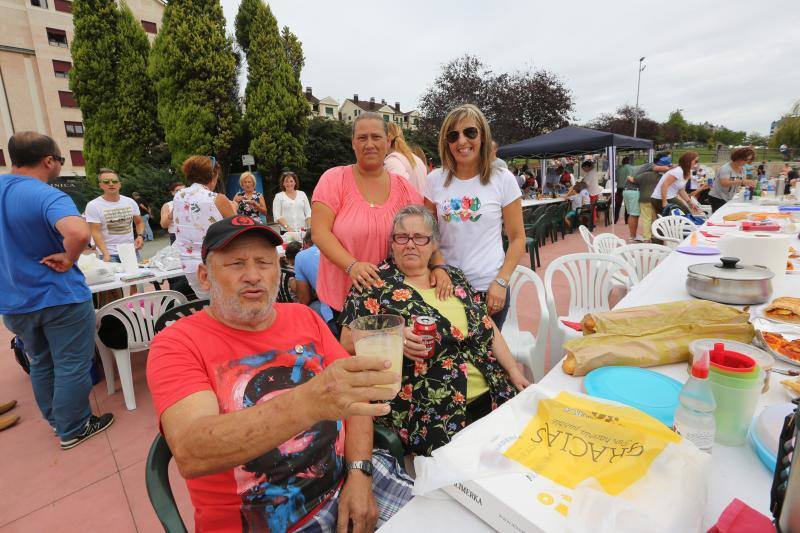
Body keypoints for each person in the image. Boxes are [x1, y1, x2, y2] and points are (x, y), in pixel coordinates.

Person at [146, 216, 412, 532]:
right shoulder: (177, 344)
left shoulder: (304, 317)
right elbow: (191, 451)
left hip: (348, 482)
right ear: (204, 277)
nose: (253, 276)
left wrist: (359, 473)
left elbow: (354, 401)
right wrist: (310, 402)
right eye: (236, 264)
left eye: (264, 262)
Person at [340, 206, 529, 456]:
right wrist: (393, 337)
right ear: (392, 244)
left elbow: (487, 324)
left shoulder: (454, 279)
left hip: (494, 392)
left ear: (433, 246)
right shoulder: (373, 284)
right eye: (402, 237)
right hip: (432, 411)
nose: (410, 244)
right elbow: (345, 341)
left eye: (420, 238)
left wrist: (514, 371)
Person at [0, 131, 113, 449]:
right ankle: (75, 427)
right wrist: (69, 256)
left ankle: (57, 421)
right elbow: (77, 232)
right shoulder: (45, 194)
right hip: (58, 296)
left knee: (40, 361)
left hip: (14, 301)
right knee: (71, 363)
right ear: (49, 161)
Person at [312, 111, 448, 323]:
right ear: (353, 143)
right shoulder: (334, 180)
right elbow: (320, 233)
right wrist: (352, 266)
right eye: (362, 138)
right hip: (343, 299)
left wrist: (439, 267)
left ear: (388, 142)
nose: (369, 144)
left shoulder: (405, 190)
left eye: (376, 137)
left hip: (392, 301)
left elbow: (426, 235)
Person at [424, 104, 525, 331]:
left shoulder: (502, 179)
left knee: (487, 360)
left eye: (470, 132)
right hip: (445, 287)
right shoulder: (434, 180)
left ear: (482, 135)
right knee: (452, 361)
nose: (462, 141)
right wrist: (439, 267)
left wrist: (501, 282)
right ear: (446, 142)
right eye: (453, 135)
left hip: (489, 289)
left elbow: (518, 238)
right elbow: (428, 235)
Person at [173, 155, 236, 299]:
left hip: (189, 266)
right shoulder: (217, 198)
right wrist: (233, 208)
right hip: (216, 264)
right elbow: (238, 228)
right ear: (213, 174)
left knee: (207, 304)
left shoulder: (178, 196)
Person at [84, 168, 144, 262]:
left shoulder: (130, 202)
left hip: (131, 252)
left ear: (119, 184)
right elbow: (95, 232)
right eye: (106, 181)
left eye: (114, 181)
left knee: (138, 276)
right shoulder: (93, 205)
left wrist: (140, 236)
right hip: (109, 254)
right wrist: (105, 254)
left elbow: (139, 222)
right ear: (101, 185)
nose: (111, 184)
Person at [294, 229, 336, 332]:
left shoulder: (301, 256)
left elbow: (304, 299)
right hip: (361, 304)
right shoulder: (342, 248)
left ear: (305, 243)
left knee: (311, 308)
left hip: (333, 313)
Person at [632, 155, 672, 242]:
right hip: (655, 200)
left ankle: (647, 237)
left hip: (643, 199)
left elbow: (634, 180)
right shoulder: (662, 177)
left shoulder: (644, 175)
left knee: (646, 219)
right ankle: (654, 235)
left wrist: (629, 177)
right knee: (654, 218)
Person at [651, 151, 703, 217]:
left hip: (668, 197)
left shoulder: (686, 172)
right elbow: (664, 185)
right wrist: (664, 203)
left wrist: (690, 202)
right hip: (660, 198)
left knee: (686, 214)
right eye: (696, 161)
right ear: (688, 161)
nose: (697, 163)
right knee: (685, 215)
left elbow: (681, 190)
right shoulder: (678, 171)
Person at [707, 147, 757, 212]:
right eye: (745, 159)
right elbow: (724, 183)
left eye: (749, 160)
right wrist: (742, 181)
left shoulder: (743, 169)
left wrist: (749, 184)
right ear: (738, 157)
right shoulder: (726, 168)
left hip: (728, 197)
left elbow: (742, 183)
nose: (746, 162)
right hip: (717, 197)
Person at [385, 122, 428, 194]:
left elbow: (399, 192)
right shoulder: (417, 159)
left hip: (408, 205)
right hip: (421, 204)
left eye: (377, 137)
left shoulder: (392, 161)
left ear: (387, 139)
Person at [615, 156, 635, 223]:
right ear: (629, 162)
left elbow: (616, 179)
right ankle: (627, 220)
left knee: (617, 205)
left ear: (622, 162)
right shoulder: (632, 168)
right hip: (628, 188)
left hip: (619, 188)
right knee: (627, 205)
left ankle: (615, 219)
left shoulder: (618, 169)